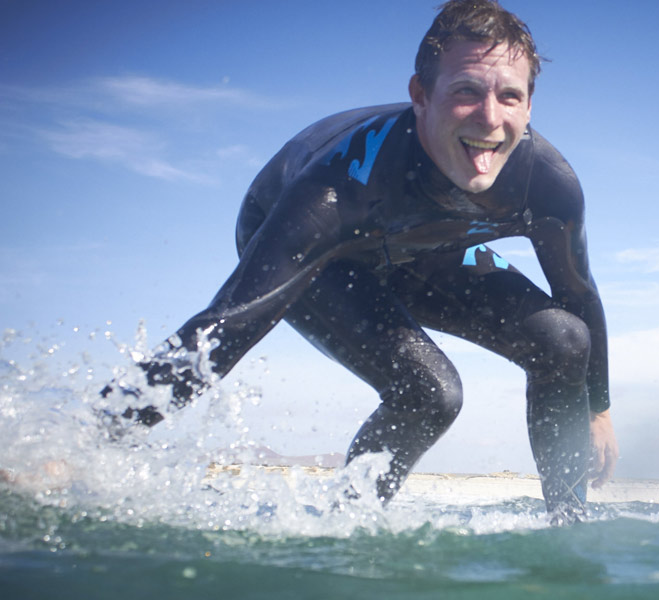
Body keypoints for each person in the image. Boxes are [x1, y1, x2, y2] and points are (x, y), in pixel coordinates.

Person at [100, 0, 617, 523]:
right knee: (431, 392)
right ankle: (349, 527)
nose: (490, 118)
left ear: (529, 106)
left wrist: (598, 408)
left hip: (428, 250)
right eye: (465, 91)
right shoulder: (342, 181)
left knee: (565, 338)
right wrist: (98, 432)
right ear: (420, 95)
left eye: (510, 96)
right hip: (324, 252)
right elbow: (232, 321)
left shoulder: (548, 185)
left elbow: (579, 294)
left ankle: (570, 530)